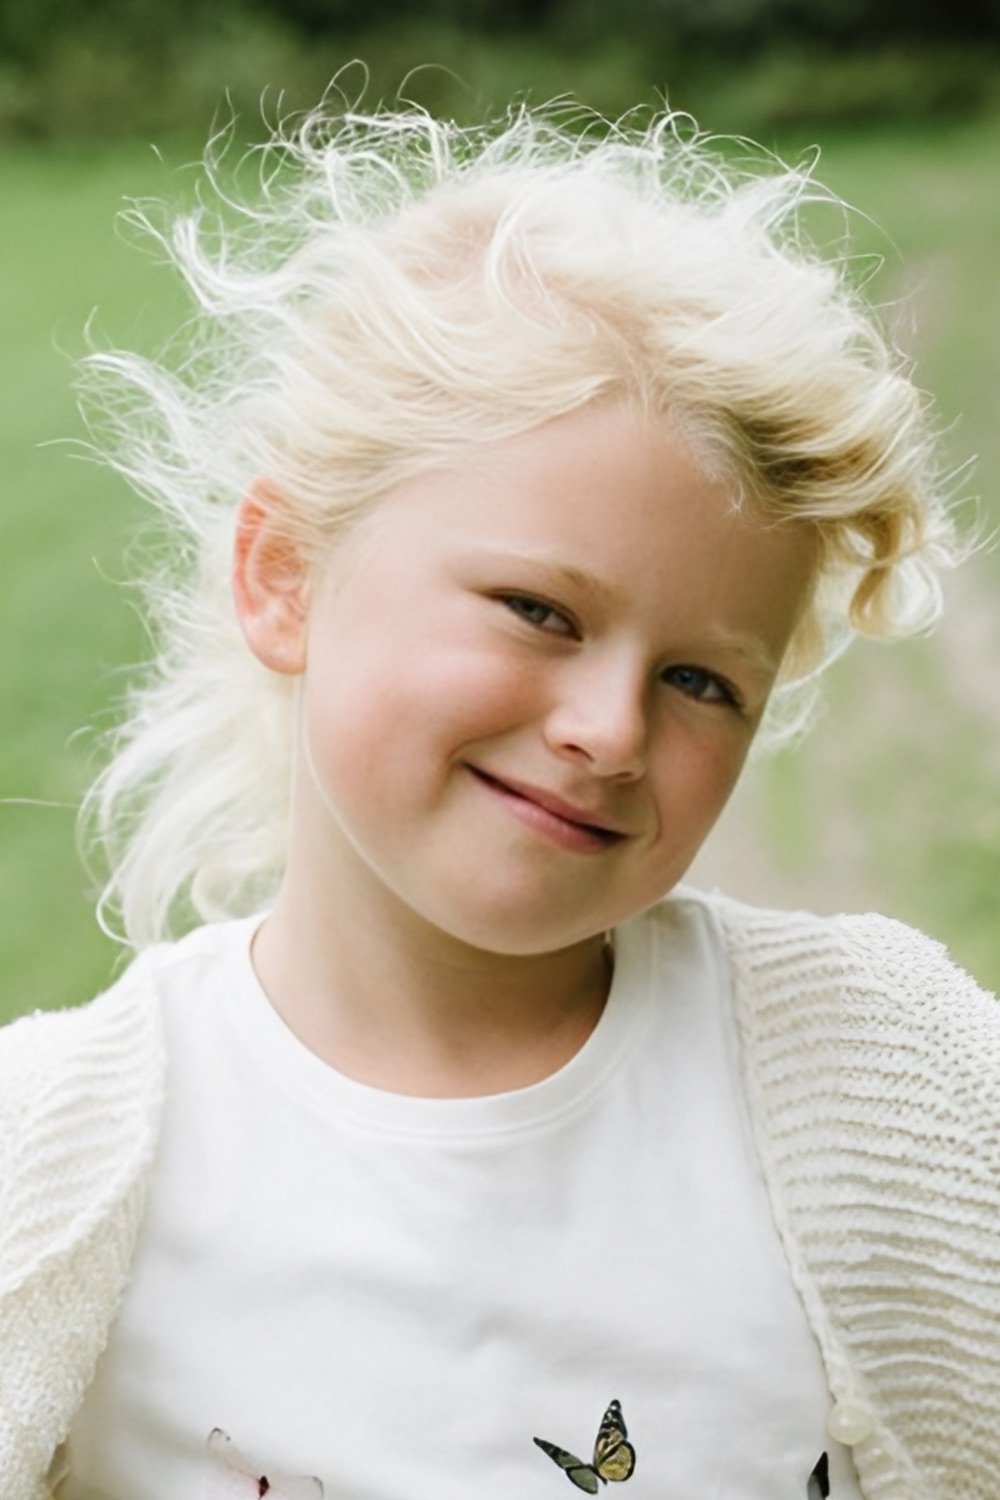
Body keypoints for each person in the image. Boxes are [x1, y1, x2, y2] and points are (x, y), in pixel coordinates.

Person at [1, 102, 996, 1500]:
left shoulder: (894, 1080)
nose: (611, 731)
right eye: (539, 610)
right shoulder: (51, 1159)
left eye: (703, 682)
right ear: (285, 576)